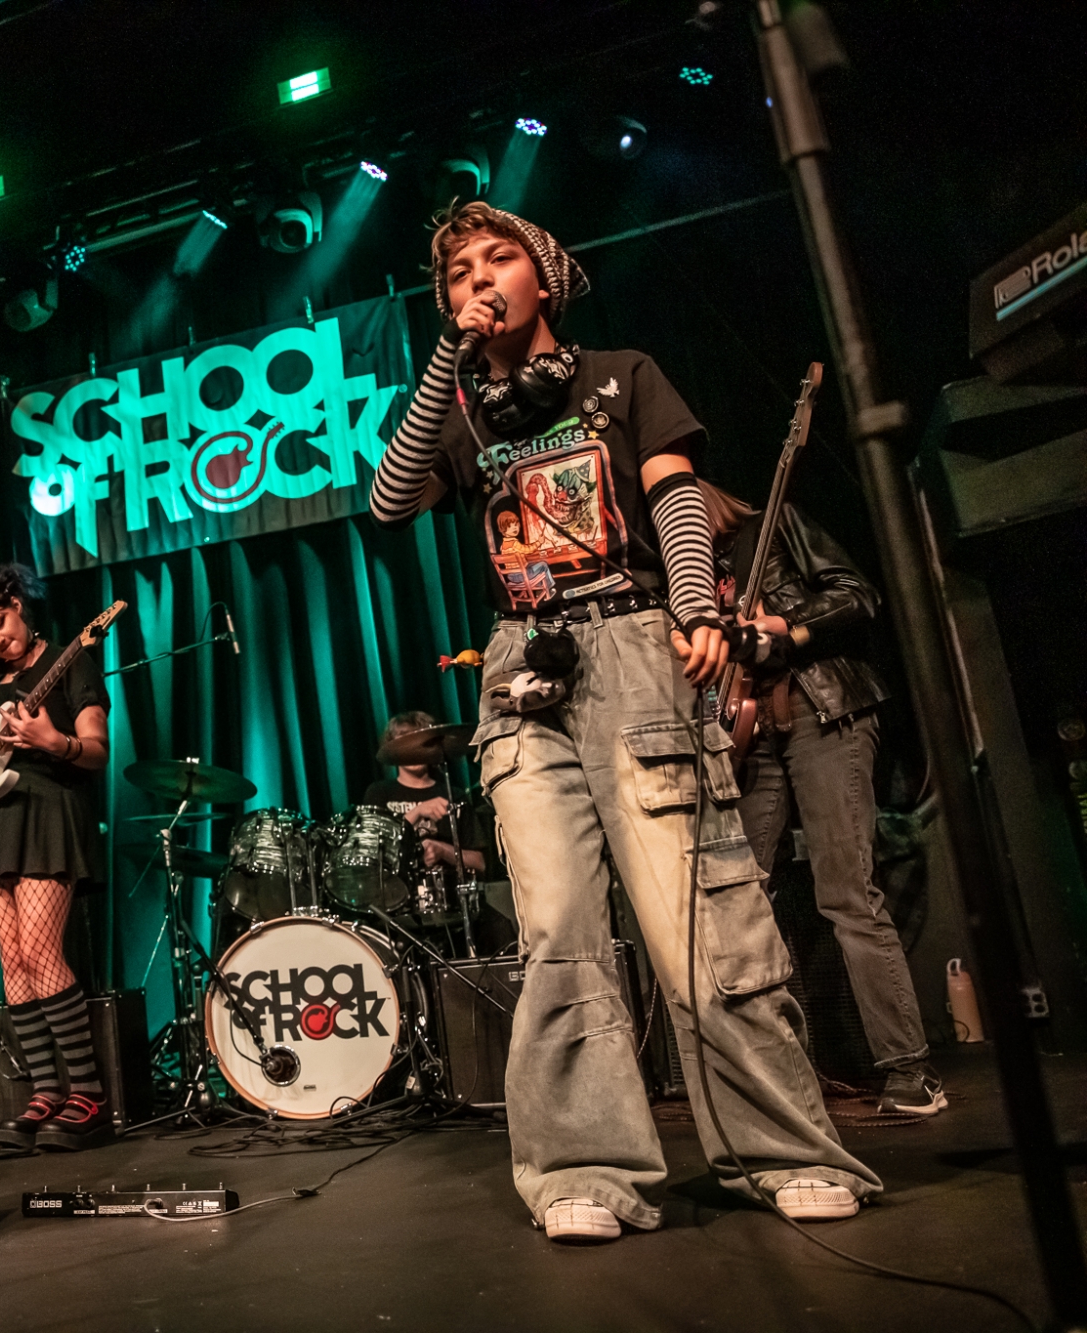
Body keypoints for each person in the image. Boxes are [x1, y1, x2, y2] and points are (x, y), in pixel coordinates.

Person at [369, 200, 881, 1243]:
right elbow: (387, 502)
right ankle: (583, 1169)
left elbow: (676, 499)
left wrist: (695, 610)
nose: (478, 278)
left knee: (701, 920)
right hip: (522, 668)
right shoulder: (461, 410)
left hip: (633, 646)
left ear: (546, 275)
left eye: (498, 257)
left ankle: (782, 1151)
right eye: (459, 270)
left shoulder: (621, 375)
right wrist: (445, 356)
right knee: (558, 931)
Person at [700, 480, 945, 1116]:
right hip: (748, 730)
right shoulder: (689, 574)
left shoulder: (773, 524)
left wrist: (787, 629)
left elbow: (858, 595)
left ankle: (910, 1068)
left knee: (846, 891)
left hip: (822, 707)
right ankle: (772, 1073)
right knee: (741, 895)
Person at [0, 563, 114, 1151]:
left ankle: (89, 1094)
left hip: (47, 811)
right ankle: (46, 1091)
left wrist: (54, 742)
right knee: (14, 961)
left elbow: (97, 750)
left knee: (43, 953)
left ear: (18, 606)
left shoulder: (71, 660)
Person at [359, 710, 487, 878]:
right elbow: (368, 852)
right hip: (395, 890)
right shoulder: (379, 793)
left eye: (420, 742)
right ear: (392, 749)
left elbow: (479, 863)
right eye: (405, 742)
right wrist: (417, 812)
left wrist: (442, 850)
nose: (413, 749)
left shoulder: (454, 795)